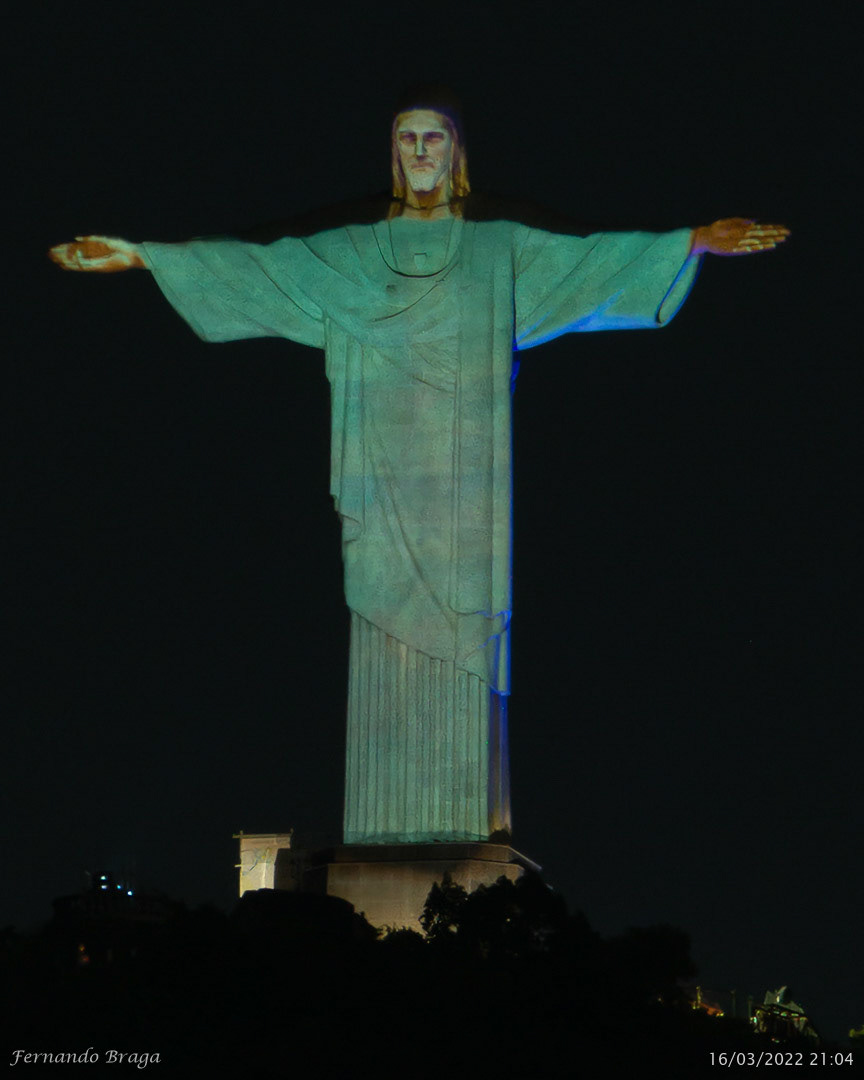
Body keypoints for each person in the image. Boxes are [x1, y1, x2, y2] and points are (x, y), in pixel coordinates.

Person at [49, 91, 789, 846]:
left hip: (465, 494)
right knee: (378, 616)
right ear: (393, 153)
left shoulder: (499, 251)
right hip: (381, 476)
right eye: (408, 139)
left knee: (466, 632)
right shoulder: (353, 255)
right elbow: (260, 270)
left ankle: (465, 834)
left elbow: (592, 264)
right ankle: (387, 834)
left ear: (456, 153)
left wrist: (691, 241)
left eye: (435, 138)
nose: (421, 152)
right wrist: (143, 255)